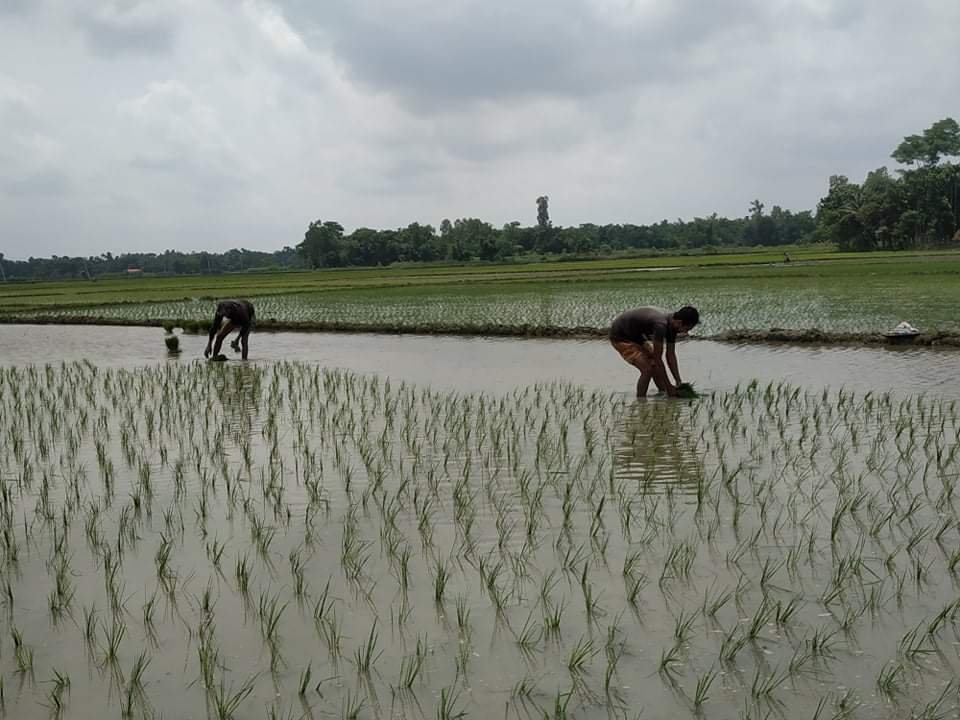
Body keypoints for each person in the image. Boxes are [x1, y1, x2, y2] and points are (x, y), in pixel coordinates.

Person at [609, 305, 699, 397]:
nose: (686, 332)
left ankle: (663, 392)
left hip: (637, 336)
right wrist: (669, 386)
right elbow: (658, 358)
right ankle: (641, 402)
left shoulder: (673, 325)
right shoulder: (660, 325)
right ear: (680, 323)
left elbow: (670, 355)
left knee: (654, 365)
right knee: (647, 369)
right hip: (620, 336)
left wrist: (678, 381)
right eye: (686, 329)